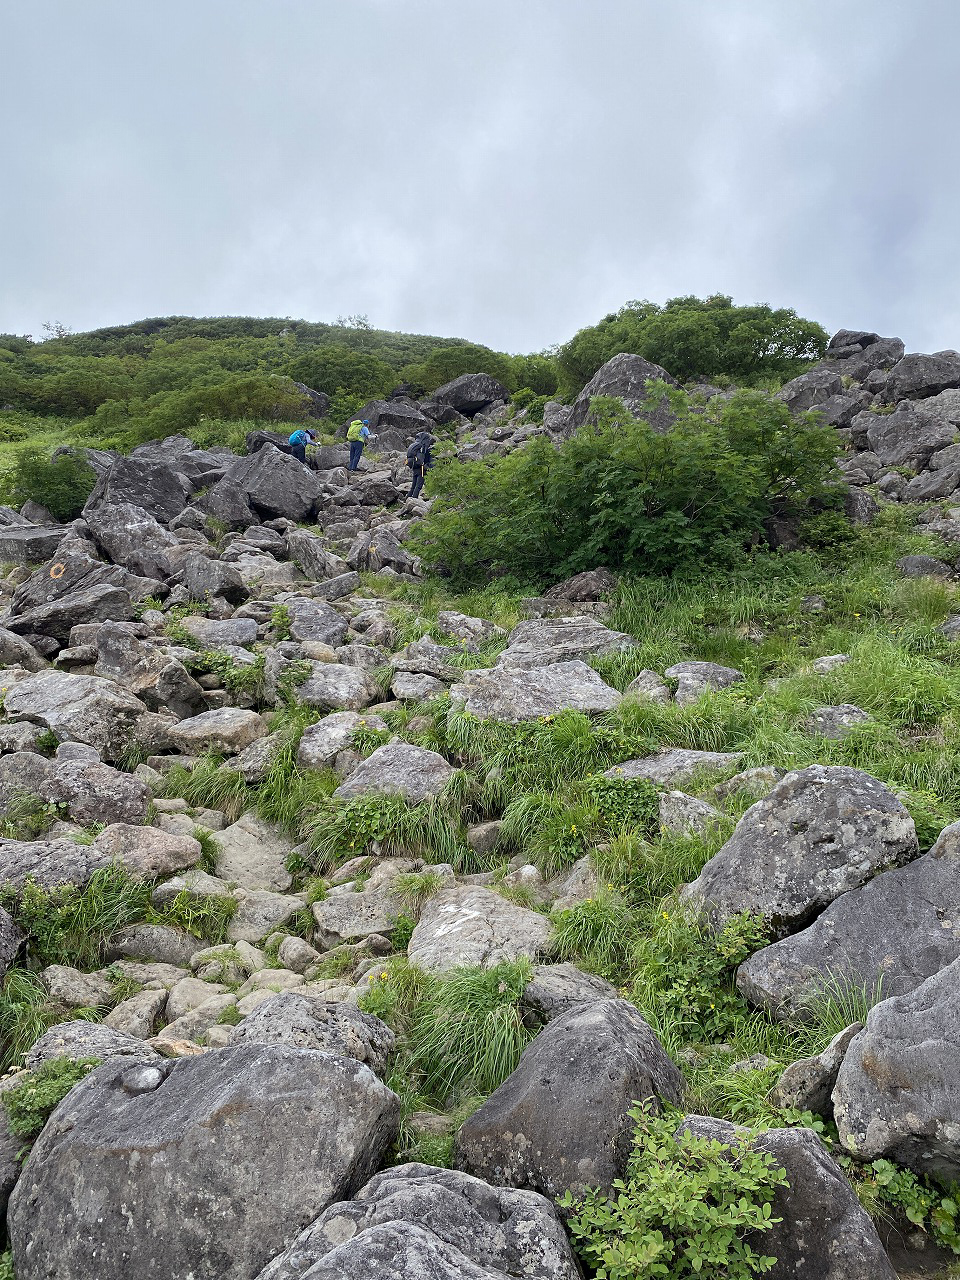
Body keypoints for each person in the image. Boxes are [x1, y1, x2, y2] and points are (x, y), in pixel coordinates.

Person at [406, 430, 435, 498]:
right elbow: (422, 459)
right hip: (421, 468)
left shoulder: (416, 446)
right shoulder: (423, 447)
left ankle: (407, 498)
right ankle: (414, 498)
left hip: (414, 467)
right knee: (418, 486)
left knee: (413, 486)